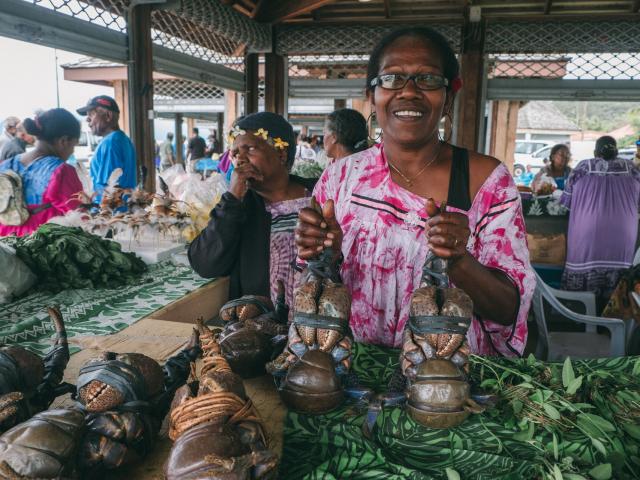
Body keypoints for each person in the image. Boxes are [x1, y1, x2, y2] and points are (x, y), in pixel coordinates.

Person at [295, 27, 535, 357]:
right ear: (372, 94)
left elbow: (507, 309)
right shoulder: (340, 178)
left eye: (428, 79)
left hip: (447, 382)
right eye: (392, 79)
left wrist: (459, 261)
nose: (409, 92)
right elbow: (314, 287)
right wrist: (326, 254)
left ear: (449, 95)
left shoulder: (485, 181)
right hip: (348, 370)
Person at [188, 112, 317, 308]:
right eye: (235, 153)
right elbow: (205, 264)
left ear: (281, 154)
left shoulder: (320, 195)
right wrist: (232, 199)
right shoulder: (238, 208)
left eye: (249, 148)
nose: (240, 159)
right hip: (261, 328)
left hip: (320, 327)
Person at [561, 136, 640, 303]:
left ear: (595, 152)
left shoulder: (582, 167)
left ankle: (582, 315)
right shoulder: (632, 169)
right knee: (621, 277)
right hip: (623, 235)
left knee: (583, 284)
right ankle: (615, 316)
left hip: (587, 233)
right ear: (617, 151)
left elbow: (565, 203)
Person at [0, 109, 83, 237]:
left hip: (6, 242)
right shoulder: (61, 171)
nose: (72, 152)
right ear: (64, 141)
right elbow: (78, 214)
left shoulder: (6, 165)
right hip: (40, 246)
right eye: (73, 146)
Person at [76, 96, 136, 200]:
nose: (87, 119)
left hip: (111, 212)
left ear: (108, 116)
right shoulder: (123, 139)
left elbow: (108, 190)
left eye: (92, 114)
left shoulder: (110, 143)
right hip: (124, 209)